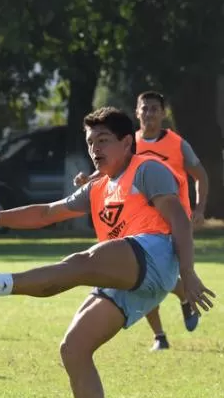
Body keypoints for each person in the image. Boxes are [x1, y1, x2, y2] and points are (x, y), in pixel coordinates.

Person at [0, 106, 214, 398]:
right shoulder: (97, 187)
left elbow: (180, 221)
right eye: (90, 142)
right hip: (126, 274)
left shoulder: (147, 170)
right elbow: (48, 213)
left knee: (80, 263)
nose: (94, 149)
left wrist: (190, 272)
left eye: (103, 140)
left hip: (155, 257)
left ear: (126, 142)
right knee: (73, 348)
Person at [75, 91, 209, 350]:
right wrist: (86, 182)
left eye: (154, 109)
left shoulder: (177, 144)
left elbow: (200, 175)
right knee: (140, 277)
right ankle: (159, 335)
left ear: (163, 113)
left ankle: (185, 297)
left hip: (168, 222)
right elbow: (107, 172)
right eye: (144, 109)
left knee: (158, 275)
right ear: (137, 112)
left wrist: (200, 208)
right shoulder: (127, 141)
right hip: (132, 220)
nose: (149, 114)